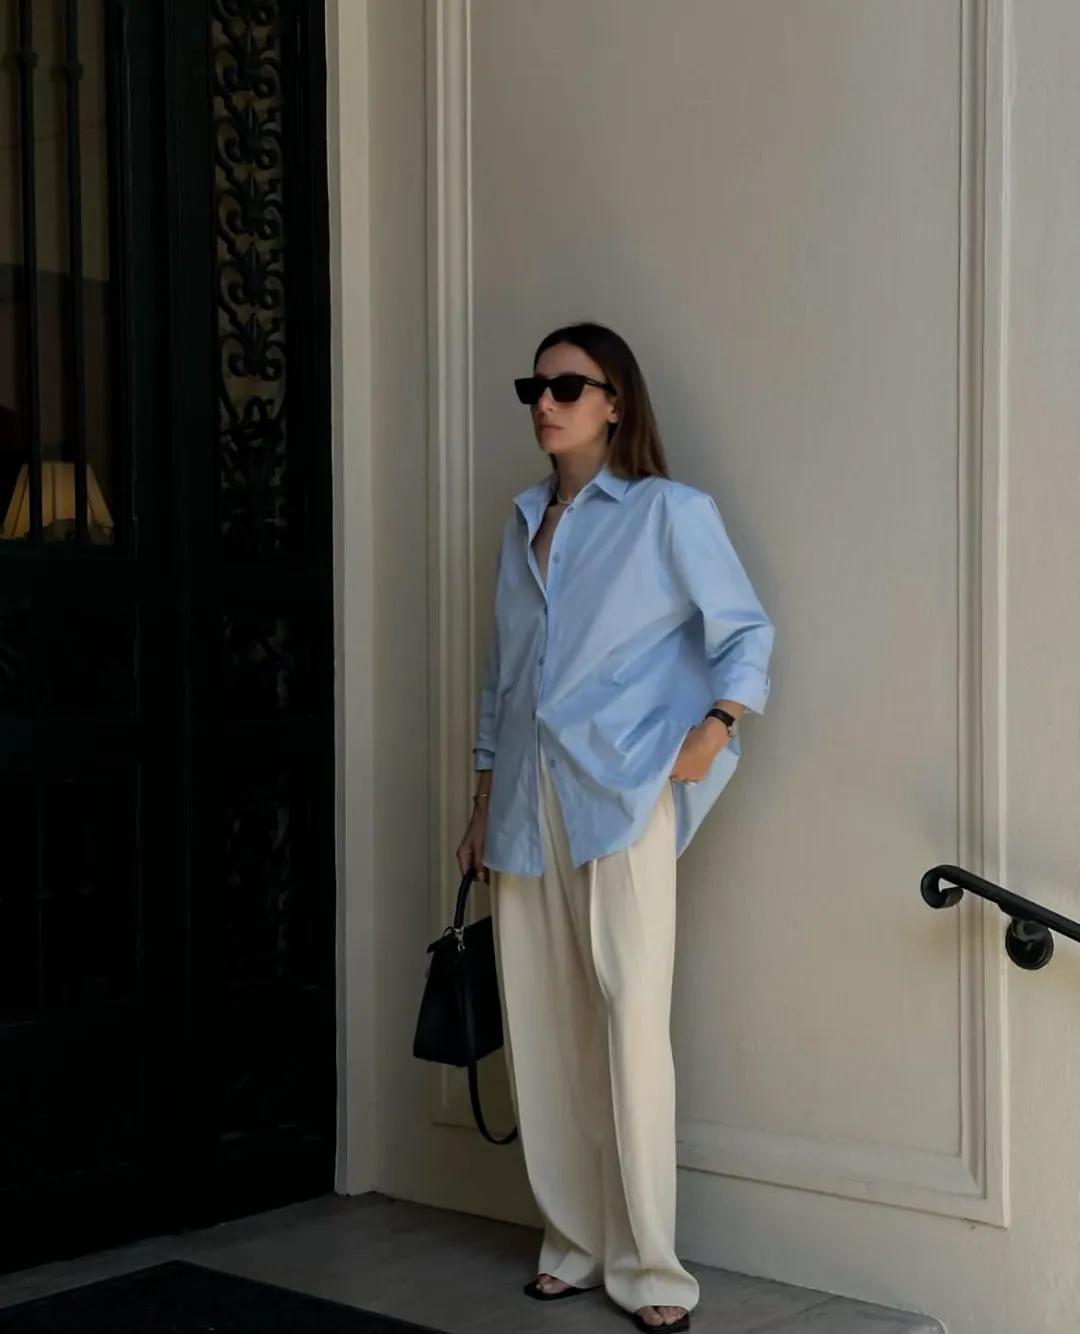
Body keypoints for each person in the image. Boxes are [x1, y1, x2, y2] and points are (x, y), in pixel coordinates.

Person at [456, 322, 775, 1333]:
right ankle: (573, 1242)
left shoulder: (669, 513)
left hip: (624, 793)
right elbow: (504, 677)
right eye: (535, 388)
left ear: (614, 400)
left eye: (567, 386)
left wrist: (715, 729)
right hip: (525, 802)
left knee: (632, 1023)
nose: (545, 403)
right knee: (543, 1032)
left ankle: (651, 1267)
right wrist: (481, 802)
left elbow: (746, 630)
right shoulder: (523, 523)